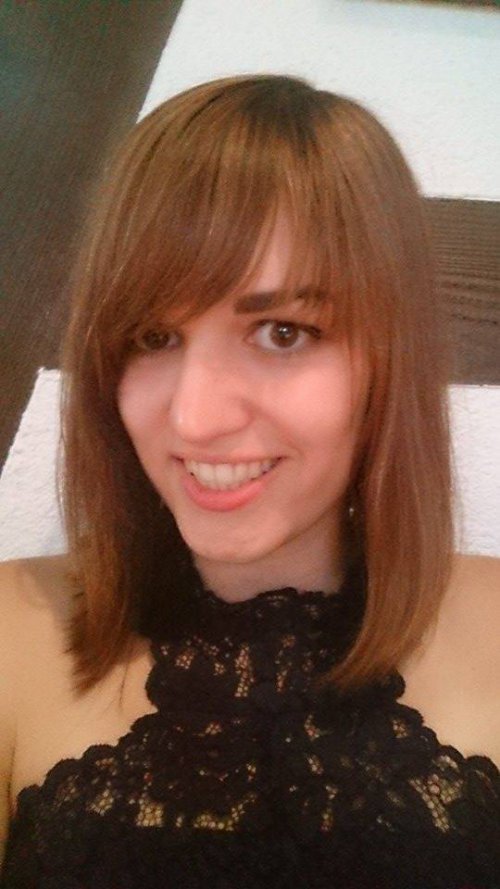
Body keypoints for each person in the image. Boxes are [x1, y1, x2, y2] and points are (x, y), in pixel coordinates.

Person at [0, 74, 499, 888]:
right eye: (152, 335)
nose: (195, 418)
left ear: (391, 357)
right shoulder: (10, 633)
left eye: (282, 332)